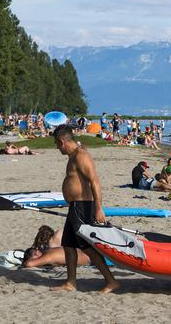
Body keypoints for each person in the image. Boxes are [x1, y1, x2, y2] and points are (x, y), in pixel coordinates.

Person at [52, 124, 118, 293]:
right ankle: (71, 282)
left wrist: (98, 208)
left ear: (62, 141)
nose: (56, 148)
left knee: (87, 247)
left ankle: (111, 281)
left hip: (83, 206)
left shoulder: (81, 156)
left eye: (56, 144)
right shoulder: (73, 155)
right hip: (75, 206)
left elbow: (95, 181)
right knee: (68, 244)